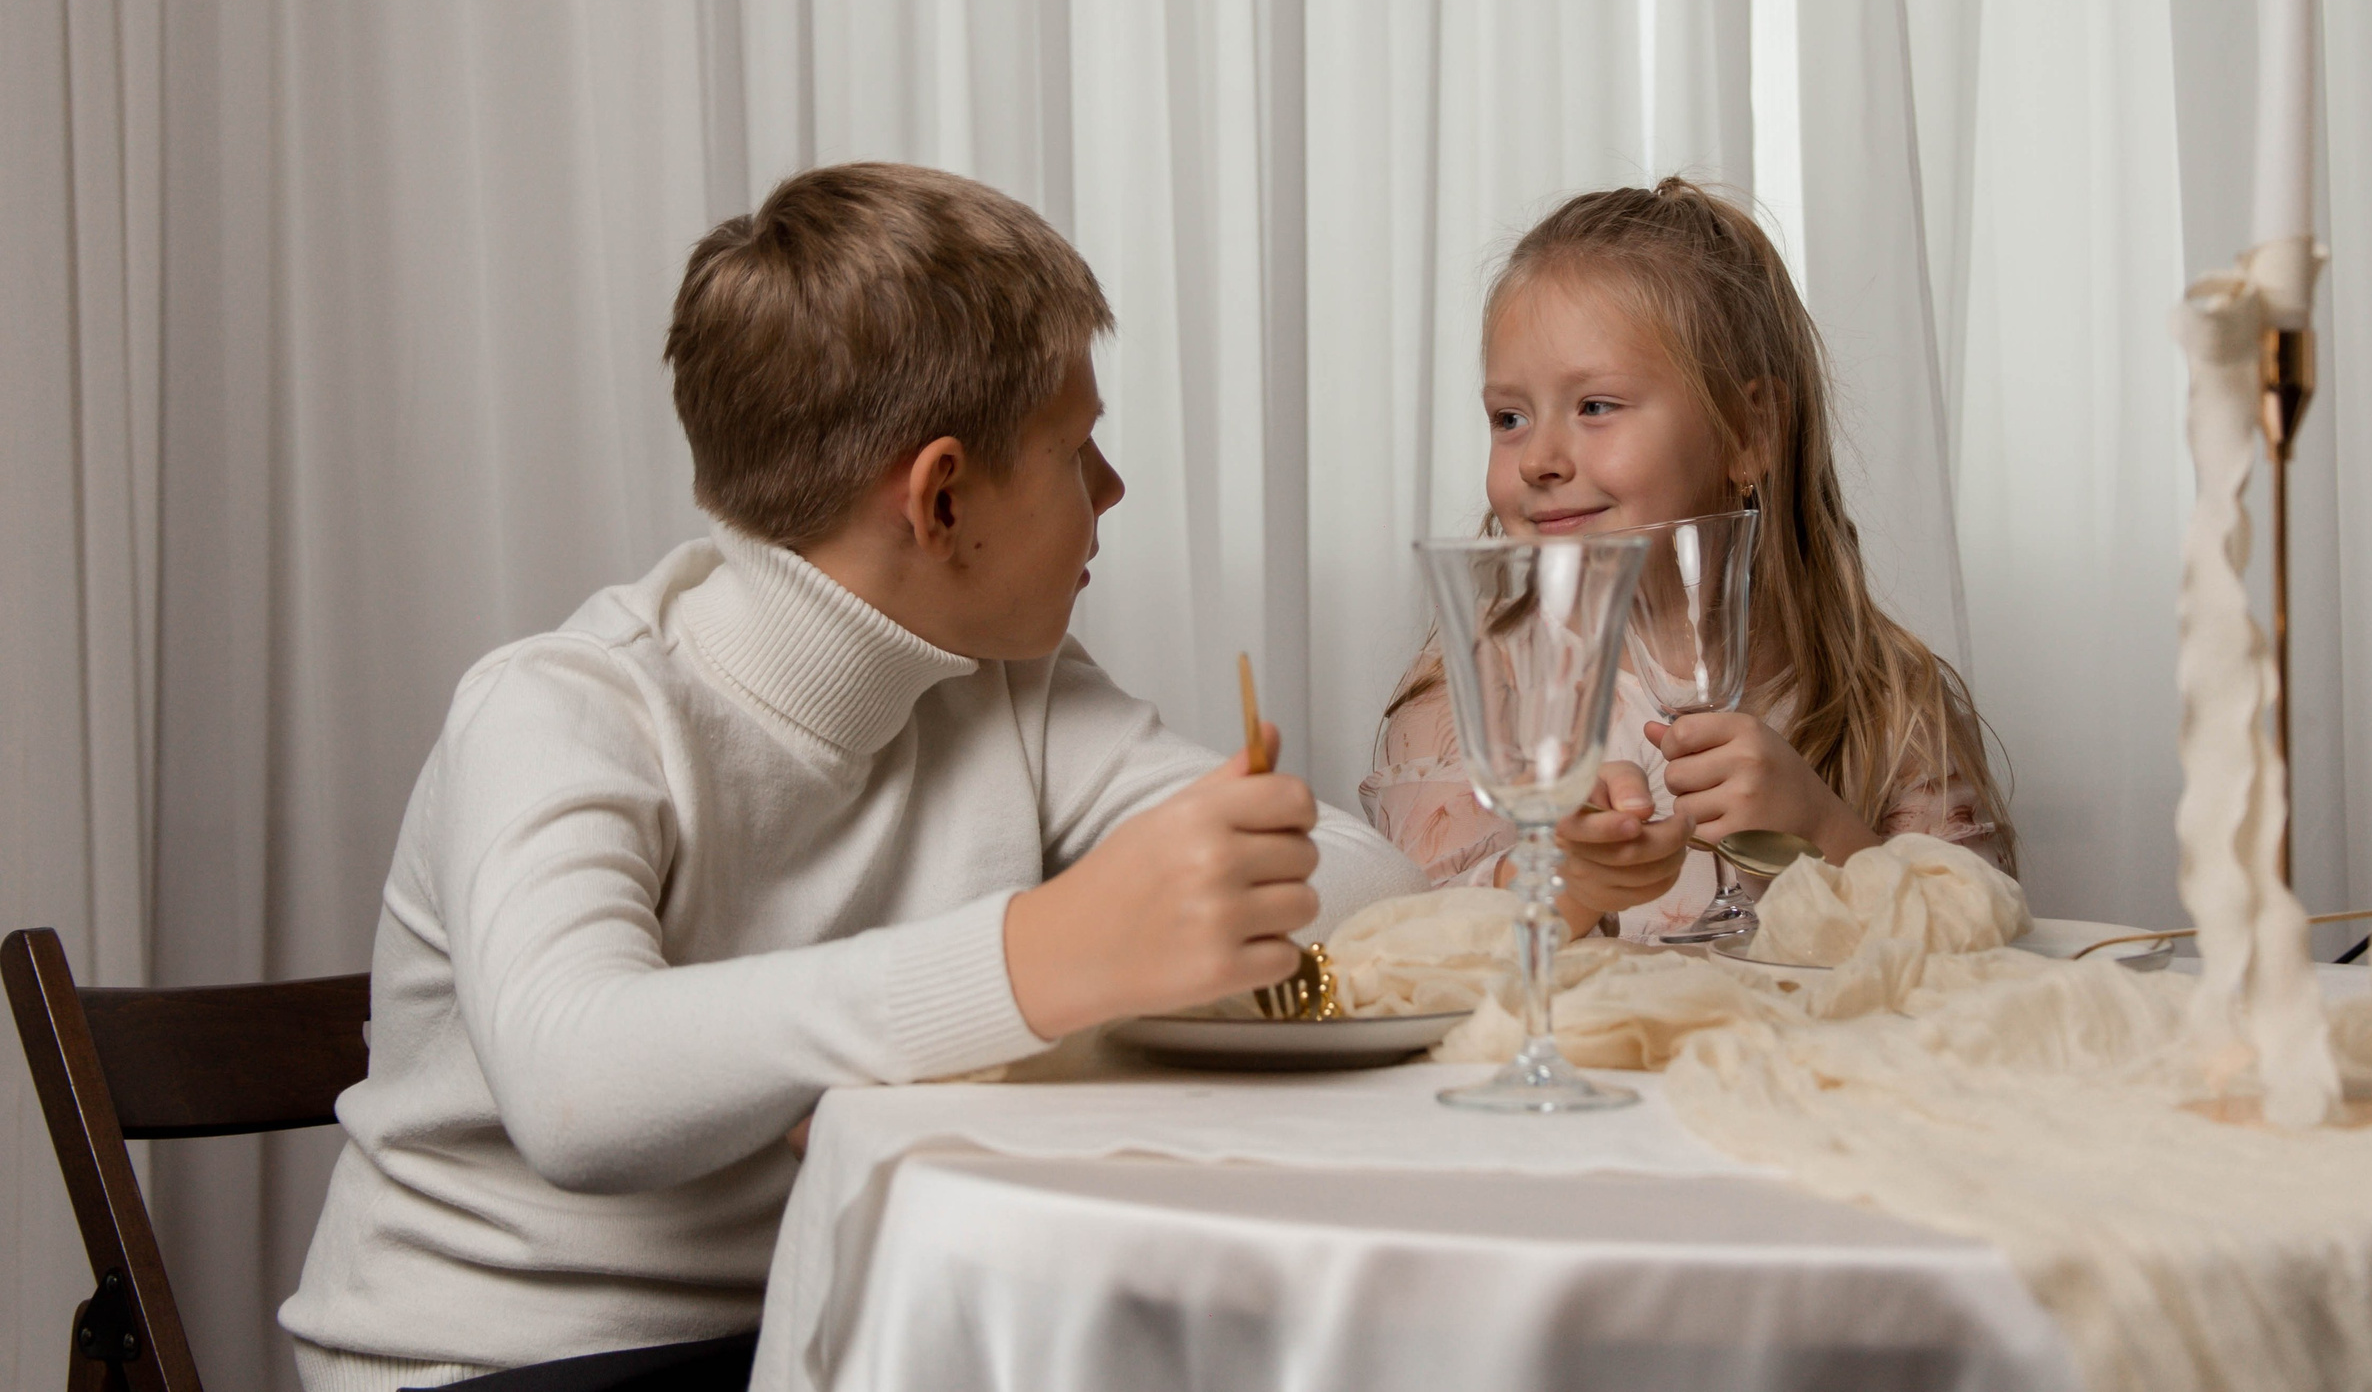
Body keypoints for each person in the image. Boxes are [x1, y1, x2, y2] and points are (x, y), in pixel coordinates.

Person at [282, 163, 1422, 1392]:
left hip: (839, 1327)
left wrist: (1137, 930)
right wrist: (1035, 957)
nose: (1110, 491)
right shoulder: (559, 707)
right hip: (494, 1367)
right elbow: (576, 1092)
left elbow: (1371, 878)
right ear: (939, 498)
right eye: (1076, 448)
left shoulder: (1007, 688)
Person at [1361, 177, 2015, 944]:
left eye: (1594, 406)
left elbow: (1984, 946)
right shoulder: (1474, 693)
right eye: (1509, 417)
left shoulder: (1886, 699)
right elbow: (1411, 950)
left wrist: (1822, 831)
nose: (1538, 456)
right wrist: (1572, 885)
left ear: (1748, 432)